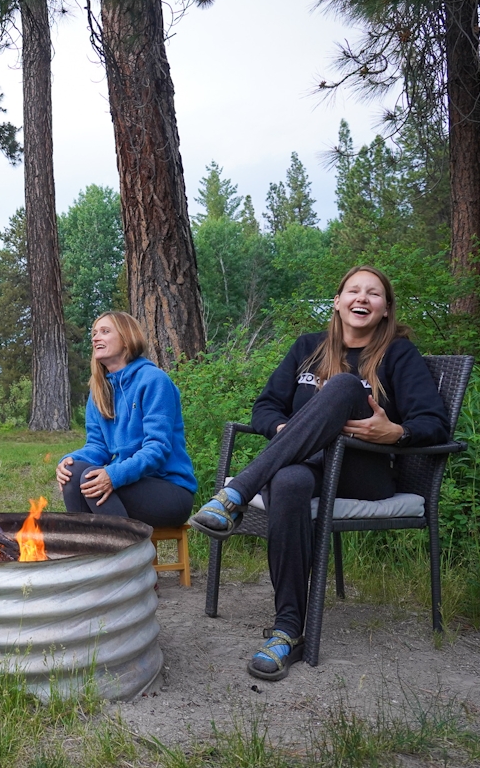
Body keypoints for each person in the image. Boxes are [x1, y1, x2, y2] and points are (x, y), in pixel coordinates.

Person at [190, 266, 449, 681]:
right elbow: (266, 407)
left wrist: (396, 431)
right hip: (305, 468)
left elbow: (435, 422)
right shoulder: (307, 348)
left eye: (374, 294)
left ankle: (236, 494)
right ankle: (288, 632)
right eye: (353, 291)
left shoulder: (399, 355)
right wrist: (283, 431)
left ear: (385, 310)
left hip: (363, 472)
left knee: (346, 386)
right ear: (337, 301)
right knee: (289, 481)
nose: (362, 298)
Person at [56, 311, 197, 529]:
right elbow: (97, 447)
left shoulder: (153, 380)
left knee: (90, 480)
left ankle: (122, 559)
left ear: (126, 339)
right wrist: (68, 461)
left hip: (169, 490)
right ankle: (91, 553)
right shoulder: (99, 391)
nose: (95, 338)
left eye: (104, 331)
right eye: (94, 333)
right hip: (127, 482)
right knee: (75, 474)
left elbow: (157, 448)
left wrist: (114, 474)